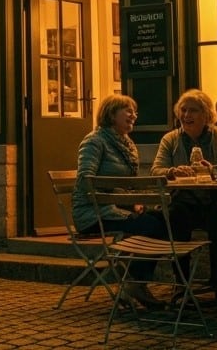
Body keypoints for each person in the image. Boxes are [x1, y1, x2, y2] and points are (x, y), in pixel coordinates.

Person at [151, 88, 217, 301]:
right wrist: (173, 171)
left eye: (193, 110)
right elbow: (155, 171)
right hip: (185, 201)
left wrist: (213, 170)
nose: (186, 115)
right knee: (175, 216)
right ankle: (182, 283)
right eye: (183, 110)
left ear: (206, 114)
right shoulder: (170, 139)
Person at [72, 92, 169, 310]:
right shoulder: (94, 141)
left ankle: (134, 282)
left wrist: (133, 200)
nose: (134, 115)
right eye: (128, 110)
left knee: (163, 219)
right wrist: (122, 196)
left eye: (135, 111)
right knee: (152, 226)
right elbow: (86, 180)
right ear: (111, 114)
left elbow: (128, 185)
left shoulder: (126, 144)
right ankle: (135, 283)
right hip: (94, 213)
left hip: (117, 208)